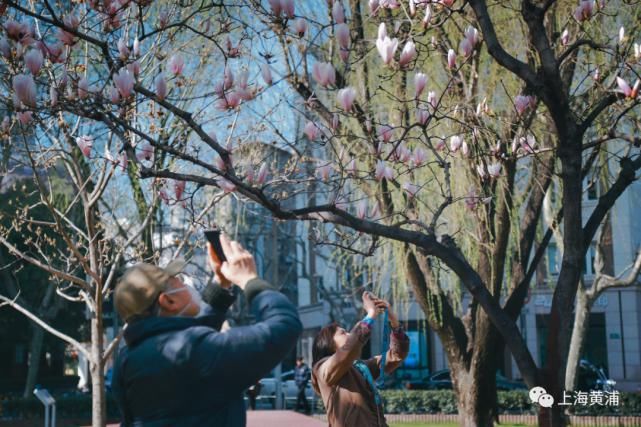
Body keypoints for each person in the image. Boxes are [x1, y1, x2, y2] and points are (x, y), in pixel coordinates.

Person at [111, 234, 302, 426]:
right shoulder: (193, 350)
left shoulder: (127, 360)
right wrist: (250, 281)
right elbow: (284, 326)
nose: (185, 284)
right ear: (168, 301)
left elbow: (191, 344)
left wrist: (221, 284)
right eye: (177, 280)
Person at [311, 292, 409, 427]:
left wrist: (394, 322)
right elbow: (347, 350)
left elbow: (396, 355)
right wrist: (370, 314)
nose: (349, 334)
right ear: (328, 344)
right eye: (343, 332)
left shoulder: (360, 367)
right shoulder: (321, 369)